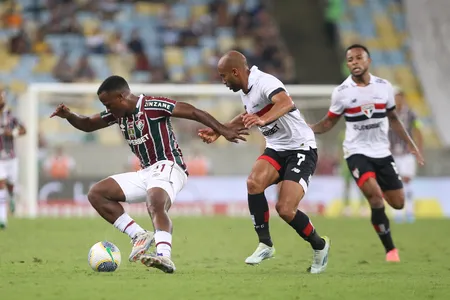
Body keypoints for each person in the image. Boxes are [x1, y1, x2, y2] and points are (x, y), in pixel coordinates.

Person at [50, 75, 246, 273]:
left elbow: (193, 111)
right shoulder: (117, 113)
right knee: (97, 193)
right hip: (146, 172)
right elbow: (88, 124)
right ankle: (139, 235)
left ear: (121, 97)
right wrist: (69, 116)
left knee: (155, 202)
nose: (107, 109)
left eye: (108, 104)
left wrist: (222, 130)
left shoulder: (152, 106)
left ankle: (164, 256)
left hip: (170, 166)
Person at [198, 51, 331, 274]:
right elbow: (246, 116)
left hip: (301, 148)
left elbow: (285, 102)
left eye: (223, 76)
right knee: (253, 183)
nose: (223, 81)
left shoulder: (265, 82)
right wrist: (220, 131)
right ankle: (265, 244)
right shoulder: (245, 91)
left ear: (235, 72)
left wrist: (263, 119)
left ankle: (320, 246)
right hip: (277, 148)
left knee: (285, 209)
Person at [309, 44, 424, 262]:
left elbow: (393, 118)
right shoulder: (342, 92)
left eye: (359, 58)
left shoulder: (384, 87)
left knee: (398, 203)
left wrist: (411, 144)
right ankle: (390, 250)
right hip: (356, 152)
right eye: (350, 59)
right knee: (376, 197)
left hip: (382, 152)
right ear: (347, 64)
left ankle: (375, 183)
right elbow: (329, 122)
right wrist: (310, 128)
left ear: (368, 61)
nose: (355, 62)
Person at [389, 87, 423, 223]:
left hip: (407, 153)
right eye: (396, 97)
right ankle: (397, 213)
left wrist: (419, 149)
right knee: (393, 183)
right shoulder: (388, 114)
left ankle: (409, 212)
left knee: (407, 181)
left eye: (400, 96)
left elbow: (418, 130)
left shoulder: (411, 114)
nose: (398, 99)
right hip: (391, 153)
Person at [0, 89, 26, 229]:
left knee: (10, 185)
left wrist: (13, 133)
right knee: (1, 184)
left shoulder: (10, 116)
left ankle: (11, 198)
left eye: (2, 97)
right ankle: (3, 219)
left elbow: (24, 129)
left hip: (11, 158)